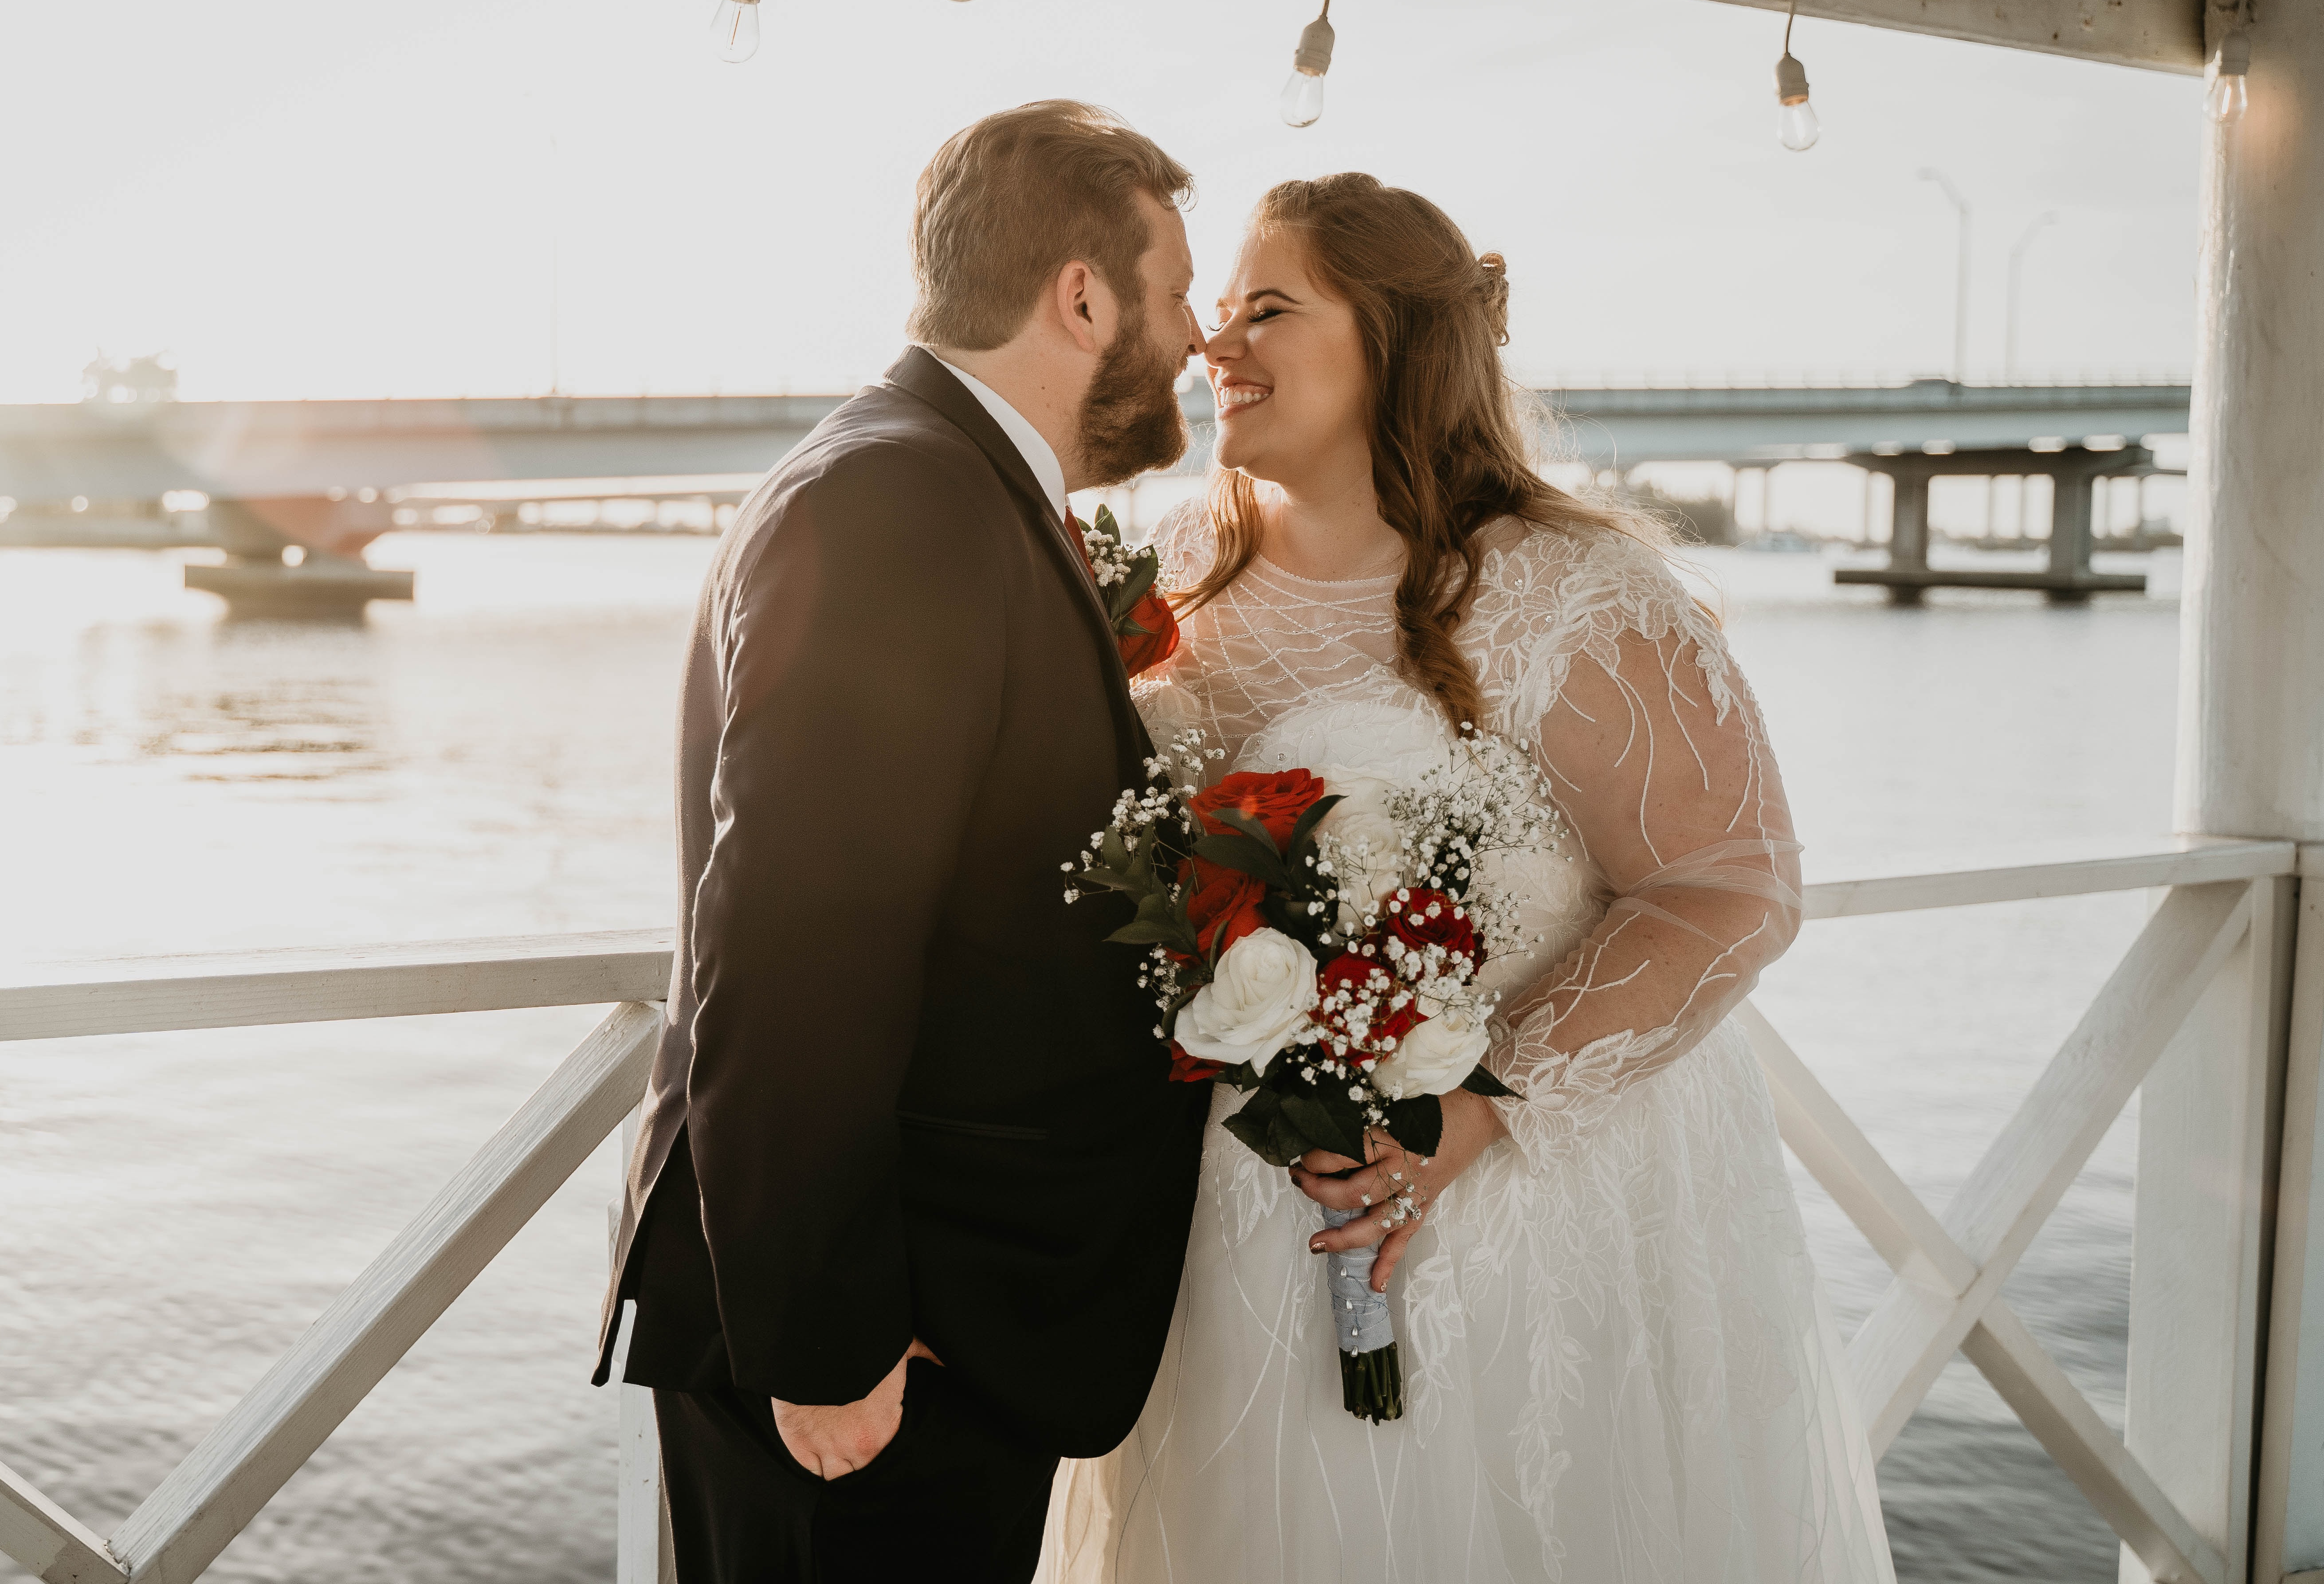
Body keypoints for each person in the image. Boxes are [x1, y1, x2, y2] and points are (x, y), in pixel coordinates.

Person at [1040, 175, 1895, 1583]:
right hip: (1234, 1216)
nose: (1218, 343)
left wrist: (1475, 1110)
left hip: (1510, 1215)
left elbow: (1733, 887)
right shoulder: (1179, 571)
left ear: (1395, 341)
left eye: (1269, 308)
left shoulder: (1570, 591)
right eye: (1223, 308)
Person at [593, 100, 1215, 1584]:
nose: (1196, 336)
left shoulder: (939, 479)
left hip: (924, 1324)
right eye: (1178, 289)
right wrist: (826, 1338)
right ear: (1083, 295)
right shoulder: (902, 500)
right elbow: (799, 942)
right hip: (878, 1351)